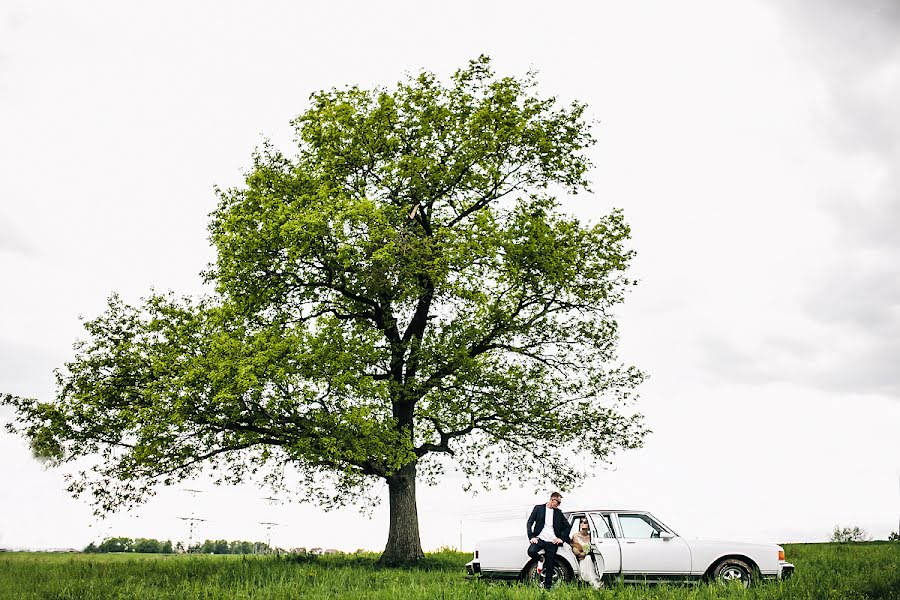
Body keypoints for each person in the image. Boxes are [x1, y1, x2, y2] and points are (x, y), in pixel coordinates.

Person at [526, 492, 571, 589]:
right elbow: (529, 522)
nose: (559, 505)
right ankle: (540, 559)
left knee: (550, 565)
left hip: (552, 542)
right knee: (531, 551)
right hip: (540, 539)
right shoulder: (538, 508)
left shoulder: (558, 512)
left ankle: (547, 588)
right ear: (552, 500)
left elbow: (567, 526)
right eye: (558, 502)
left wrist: (561, 539)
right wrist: (531, 537)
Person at [571, 517, 603, 589]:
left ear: (589, 525)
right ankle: (589, 581)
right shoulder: (576, 536)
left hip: (588, 557)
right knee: (587, 559)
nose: (582, 524)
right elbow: (574, 548)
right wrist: (579, 553)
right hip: (579, 558)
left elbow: (590, 548)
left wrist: (585, 553)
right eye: (581, 522)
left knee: (588, 558)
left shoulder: (591, 537)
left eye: (585, 522)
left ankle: (592, 581)